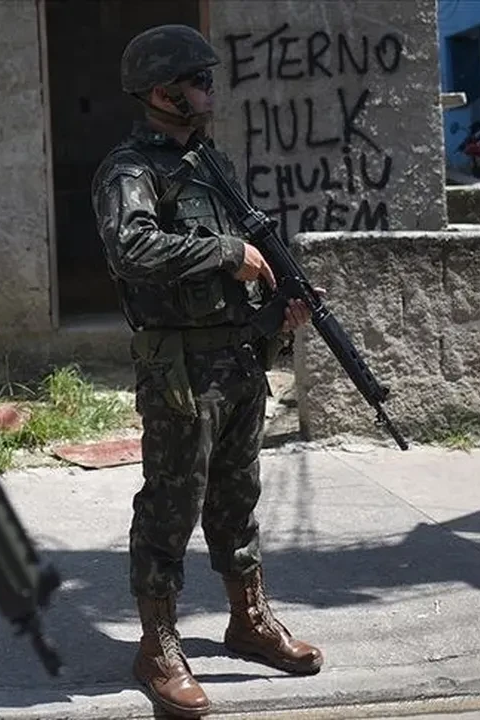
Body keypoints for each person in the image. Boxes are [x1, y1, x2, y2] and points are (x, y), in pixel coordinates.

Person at [90, 24, 325, 719]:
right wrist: (227, 252)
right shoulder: (131, 170)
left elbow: (250, 255)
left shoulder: (208, 162)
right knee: (171, 504)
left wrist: (277, 308)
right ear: (164, 92)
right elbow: (131, 247)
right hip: (179, 366)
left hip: (237, 356)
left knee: (236, 497)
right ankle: (157, 644)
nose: (210, 90)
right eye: (200, 80)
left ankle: (248, 620)